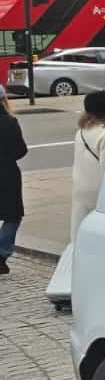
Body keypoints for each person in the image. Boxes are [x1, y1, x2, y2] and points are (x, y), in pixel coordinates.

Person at [70, 89, 105, 242]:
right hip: (98, 193)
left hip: (80, 187)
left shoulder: (82, 130)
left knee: (80, 231)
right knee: (102, 236)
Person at [0, 92, 28, 276]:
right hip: (6, 173)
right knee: (13, 215)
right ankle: (1, 253)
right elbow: (20, 150)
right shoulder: (9, 122)